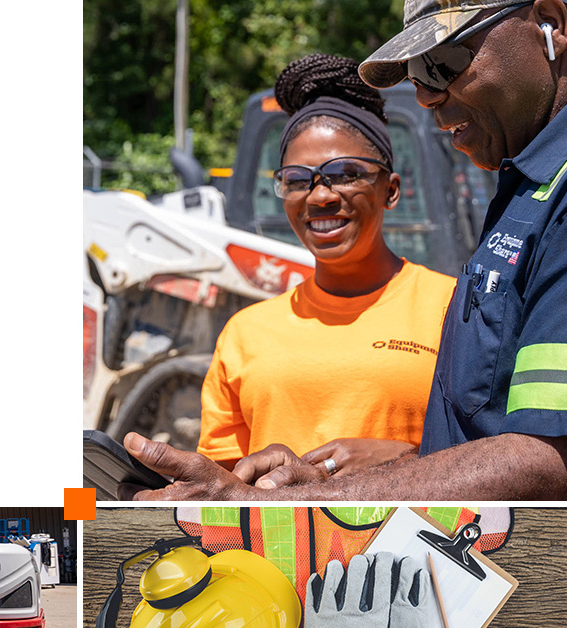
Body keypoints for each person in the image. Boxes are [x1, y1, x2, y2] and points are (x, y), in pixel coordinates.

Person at [121, 0, 567, 500]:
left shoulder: (449, 300)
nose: (425, 96)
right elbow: (485, 443)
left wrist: (289, 500)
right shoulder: (521, 201)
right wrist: (380, 468)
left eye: (445, 63)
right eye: (296, 180)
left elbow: (546, 456)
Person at [198, 53, 455, 476]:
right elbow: (220, 483)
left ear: (390, 190)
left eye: (346, 172)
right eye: (298, 180)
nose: (320, 197)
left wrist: (406, 461)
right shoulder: (245, 334)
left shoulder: (455, 309)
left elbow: (504, 456)